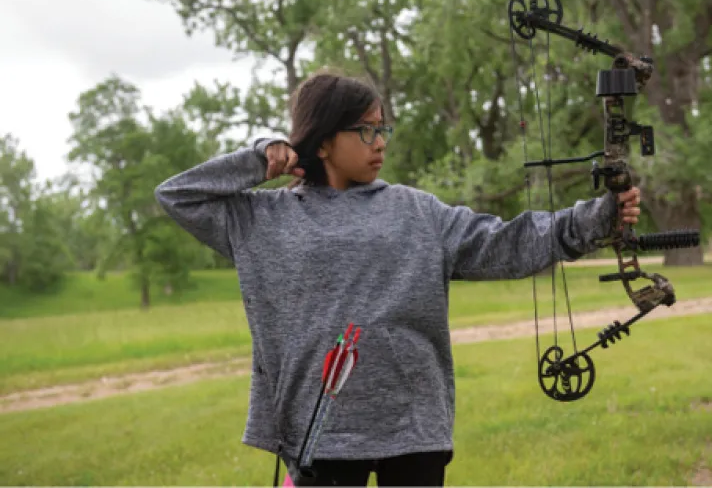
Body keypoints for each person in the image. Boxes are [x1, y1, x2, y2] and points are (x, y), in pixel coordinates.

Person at [154, 69, 642, 486]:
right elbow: (178, 195)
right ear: (323, 140)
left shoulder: (415, 210)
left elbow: (504, 242)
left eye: (383, 128)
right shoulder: (263, 219)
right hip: (317, 429)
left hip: (413, 426)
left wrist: (595, 219)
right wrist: (261, 155)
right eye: (366, 131)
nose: (380, 141)